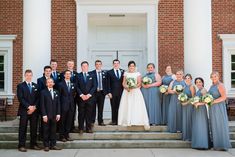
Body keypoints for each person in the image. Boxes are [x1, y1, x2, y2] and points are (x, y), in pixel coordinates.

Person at [118, 61, 150, 130]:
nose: (131, 67)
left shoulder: (138, 74)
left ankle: (136, 120)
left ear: (135, 67)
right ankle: (127, 120)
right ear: (128, 67)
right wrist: (127, 87)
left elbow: (139, 83)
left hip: (135, 91)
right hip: (127, 91)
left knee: (136, 105)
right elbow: (123, 83)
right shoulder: (126, 73)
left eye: (133, 66)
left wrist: (133, 87)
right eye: (130, 66)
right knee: (127, 105)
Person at [17, 69, 40, 152]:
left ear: (32, 76)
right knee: (23, 128)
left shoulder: (36, 86)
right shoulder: (20, 86)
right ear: (24, 76)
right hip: (24, 110)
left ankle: (33, 144)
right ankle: (21, 145)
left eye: (30, 75)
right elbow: (20, 98)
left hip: (34, 111)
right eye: (27, 75)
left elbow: (38, 98)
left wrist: (34, 107)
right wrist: (28, 107)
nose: (29, 77)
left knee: (34, 128)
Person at [208, 71, 231, 151]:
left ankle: (222, 144)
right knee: (214, 125)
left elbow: (224, 97)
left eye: (215, 76)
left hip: (219, 107)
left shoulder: (220, 85)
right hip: (212, 108)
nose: (214, 78)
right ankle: (216, 145)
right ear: (211, 78)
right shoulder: (211, 86)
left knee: (219, 124)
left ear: (218, 77)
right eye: (212, 76)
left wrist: (213, 101)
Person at [40, 78, 61, 151]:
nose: (50, 83)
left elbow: (58, 103)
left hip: (54, 115)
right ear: (46, 84)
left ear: (54, 83)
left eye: (51, 82)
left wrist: (58, 113)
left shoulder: (56, 92)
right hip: (46, 115)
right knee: (46, 130)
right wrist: (44, 115)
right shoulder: (43, 92)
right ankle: (46, 145)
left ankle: (53, 145)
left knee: (53, 130)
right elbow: (42, 104)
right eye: (48, 82)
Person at [77, 61, 97, 134]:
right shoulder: (78, 76)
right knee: (81, 114)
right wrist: (82, 95)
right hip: (81, 98)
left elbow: (94, 86)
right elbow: (77, 86)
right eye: (83, 66)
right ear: (81, 67)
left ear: (88, 67)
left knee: (89, 114)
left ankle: (88, 128)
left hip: (90, 98)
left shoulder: (92, 75)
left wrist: (89, 95)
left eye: (86, 66)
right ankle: (81, 128)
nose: (84, 67)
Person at [191, 77, 210, 150]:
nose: (198, 83)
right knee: (198, 125)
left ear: (202, 83)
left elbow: (207, 100)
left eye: (200, 82)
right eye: (197, 82)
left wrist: (198, 103)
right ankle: (198, 143)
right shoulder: (198, 90)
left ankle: (203, 144)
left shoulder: (203, 90)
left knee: (201, 125)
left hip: (201, 109)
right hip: (197, 109)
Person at [58, 70, 76, 142]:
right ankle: (61, 136)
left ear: (71, 75)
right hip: (63, 105)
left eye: (69, 74)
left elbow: (74, 95)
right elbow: (59, 96)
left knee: (69, 121)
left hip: (71, 105)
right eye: (67, 74)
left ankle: (67, 135)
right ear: (64, 75)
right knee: (62, 121)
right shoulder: (60, 84)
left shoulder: (73, 84)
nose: (68, 75)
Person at [91, 60, 109, 126]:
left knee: (101, 108)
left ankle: (100, 121)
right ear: (95, 65)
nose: (98, 65)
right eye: (97, 64)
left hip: (102, 93)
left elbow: (107, 83)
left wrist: (107, 92)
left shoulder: (105, 73)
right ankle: (92, 121)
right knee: (93, 108)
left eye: (99, 64)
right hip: (94, 93)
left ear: (101, 65)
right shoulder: (91, 73)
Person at [107, 59, 124, 125]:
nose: (116, 64)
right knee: (113, 107)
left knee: (120, 106)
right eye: (115, 63)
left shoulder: (123, 71)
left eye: (117, 63)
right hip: (113, 93)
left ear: (119, 64)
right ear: (113, 64)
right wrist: (109, 92)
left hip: (121, 92)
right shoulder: (109, 72)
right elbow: (107, 83)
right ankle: (114, 121)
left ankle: (120, 120)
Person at [181, 74, 195, 141]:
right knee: (185, 120)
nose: (187, 79)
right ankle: (185, 136)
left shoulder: (192, 87)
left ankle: (190, 136)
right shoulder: (184, 86)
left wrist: (186, 103)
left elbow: (193, 98)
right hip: (184, 105)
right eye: (186, 78)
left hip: (189, 105)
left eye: (188, 78)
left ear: (191, 79)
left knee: (189, 119)